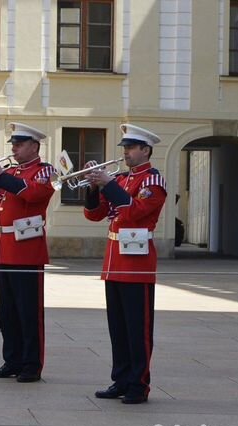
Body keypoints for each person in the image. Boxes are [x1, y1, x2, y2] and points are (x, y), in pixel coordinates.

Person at [84, 124, 167, 404]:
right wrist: (93, 188)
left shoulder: (152, 182)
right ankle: (120, 379)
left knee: (137, 328)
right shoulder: (120, 179)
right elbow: (95, 215)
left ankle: (138, 384)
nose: (126, 153)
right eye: (125, 148)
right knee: (117, 327)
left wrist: (107, 183)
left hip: (137, 264)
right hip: (114, 261)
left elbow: (135, 213)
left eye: (131, 148)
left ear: (145, 150)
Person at [0, 123, 55, 382]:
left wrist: (1, 175)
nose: (14, 149)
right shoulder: (9, 171)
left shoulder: (44, 171)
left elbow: (33, 194)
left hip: (26, 248)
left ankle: (32, 364)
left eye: (19, 144)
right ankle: (12, 359)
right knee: (7, 311)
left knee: (28, 311)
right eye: (13, 144)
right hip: (3, 247)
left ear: (34, 146)